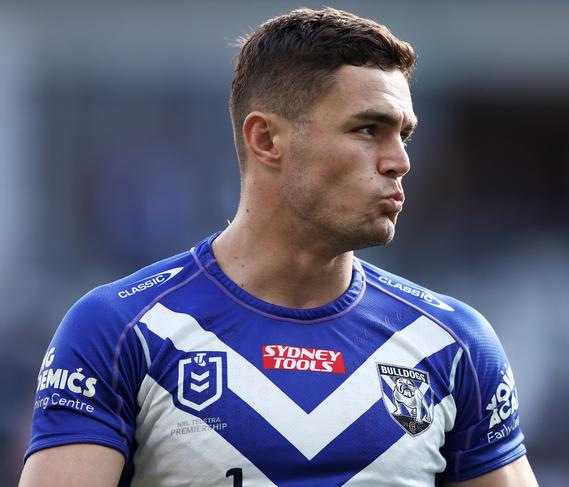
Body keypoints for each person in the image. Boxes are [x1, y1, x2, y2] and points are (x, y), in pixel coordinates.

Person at [20, 7, 538, 487]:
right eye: (368, 129)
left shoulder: (454, 345)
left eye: (404, 135)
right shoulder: (121, 330)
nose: (399, 161)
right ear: (266, 140)